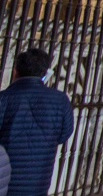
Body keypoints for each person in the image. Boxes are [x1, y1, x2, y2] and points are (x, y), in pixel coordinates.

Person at [0, 48, 74, 196]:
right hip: (39, 178)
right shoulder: (60, 100)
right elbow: (65, 133)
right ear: (45, 73)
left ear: (15, 72)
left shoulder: (4, 98)